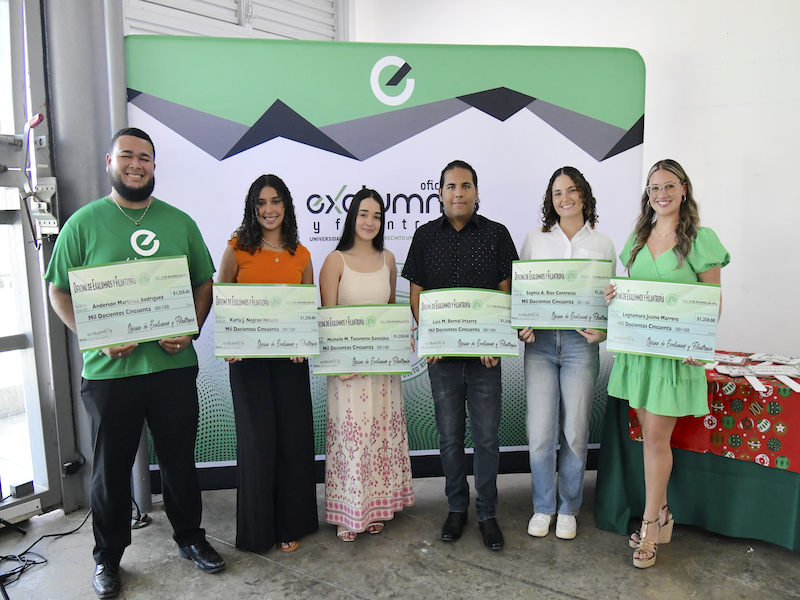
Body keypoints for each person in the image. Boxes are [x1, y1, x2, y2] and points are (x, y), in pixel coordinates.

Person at [45, 128, 224, 599]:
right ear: (111, 160)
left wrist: (192, 328)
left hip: (172, 368)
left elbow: (204, 283)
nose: (136, 164)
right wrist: (94, 335)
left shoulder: (179, 222)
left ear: (153, 165)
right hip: (110, 376)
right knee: (110, 471)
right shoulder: (83, 224)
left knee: (180, 463)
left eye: (145, 157)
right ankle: (107, 559)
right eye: (127, 155)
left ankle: (190, 537)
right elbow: (58, 290)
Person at [604, 159, 729, 568]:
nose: (661, 194)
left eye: (669, 186)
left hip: (675, 359)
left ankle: (651, 526)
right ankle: (664, 512)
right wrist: (613, 296)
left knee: (656, 439)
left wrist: (701, 340)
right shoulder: (637, 238)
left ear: (684, 190)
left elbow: (712, 301)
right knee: (648, 436)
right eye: (654, 187)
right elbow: (631, 292)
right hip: (639, 356)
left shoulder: (700, 239)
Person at [402, 160, 518, 551]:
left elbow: (505, 293)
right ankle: (456, 507)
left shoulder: (497, 235)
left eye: (466, 186)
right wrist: (431, 338)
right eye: (451, 186)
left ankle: (487, 512)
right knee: (450, 439)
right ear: (439, 193)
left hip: (486, 360)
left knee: (486, 439)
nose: (458, 193)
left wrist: (496, 340)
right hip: (443, 362)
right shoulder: (424, 236)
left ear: (476, 192)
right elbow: (416, 295)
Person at [217, 174, 319, 553]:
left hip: (290, 362)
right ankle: (258, 530)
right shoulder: (236, 248)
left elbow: (308, 306)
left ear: (286, 206)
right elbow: (223, 295)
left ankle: (290, 525)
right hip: (248, 362)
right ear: (252, 208)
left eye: (275, 202)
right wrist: (229, 340)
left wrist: (305, 343)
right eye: (261, 203)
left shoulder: (303, 254)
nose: (268, 210)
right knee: (258, 443)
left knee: (292, 441)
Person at [518, 167, 617, 541]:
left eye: (572, 191)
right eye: (558, 193)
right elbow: (523, 290)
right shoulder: (535, 238)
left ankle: (568, 508)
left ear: (584, 195)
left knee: (575, 431)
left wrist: (604, 329)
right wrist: (521, 324)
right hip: (540, 345)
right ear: (551, 200)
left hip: (580, 347)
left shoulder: (604, 243)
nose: (565, 199)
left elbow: (612, 299)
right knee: (540, 432)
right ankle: (543, 506)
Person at [319, 187, 414, 542]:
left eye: (376, 215)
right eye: (363, 214)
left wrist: (402, 336)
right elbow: (327, 319)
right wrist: (338, 364)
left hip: (382, 372)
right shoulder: (334, 261)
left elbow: (390, 310)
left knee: (379, 437)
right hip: (348, 373)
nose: (370, 221)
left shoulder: (388, 259)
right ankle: (349, 513)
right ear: (352, 217)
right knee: (352, 440)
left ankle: (377, 507)